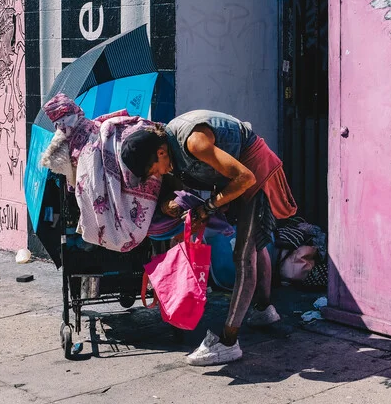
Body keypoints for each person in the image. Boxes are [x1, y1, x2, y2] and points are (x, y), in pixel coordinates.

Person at [121, 110, 297, 366]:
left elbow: (245, 177)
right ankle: (264, 311)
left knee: (244, 254)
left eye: (151, 170)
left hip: (255, 173)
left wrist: (209, 208)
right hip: (236, 177)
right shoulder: (170, 149)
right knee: (256, 244)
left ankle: (229, 342)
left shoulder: (193, 142)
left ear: (160, 152)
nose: (154, 176)